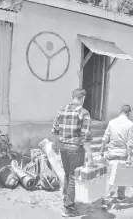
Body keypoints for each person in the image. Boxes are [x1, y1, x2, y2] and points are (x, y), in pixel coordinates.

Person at [52, 88, 93, 217]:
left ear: (72, 96)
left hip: (63, 148)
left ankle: (66, 198)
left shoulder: (61, 110)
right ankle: (69, 208)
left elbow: (55, 130)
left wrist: (56, 145)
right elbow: (85, 136)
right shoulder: (83, 112)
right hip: (75, 149)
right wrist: (90, 156)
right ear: (83, 98)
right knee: (73, 177)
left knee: (67, 174)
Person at [100, 104, 133, 200]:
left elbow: (105, 138)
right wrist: (129, 156)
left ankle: (106, 197)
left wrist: (101, 151)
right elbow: (130, 142)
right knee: (122, 175)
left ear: (120, 111)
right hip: (123, 154)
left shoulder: (111, 122)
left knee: (109, 176)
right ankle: (121, 196)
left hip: (111, 153)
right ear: (129, 113)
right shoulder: (130, 124)